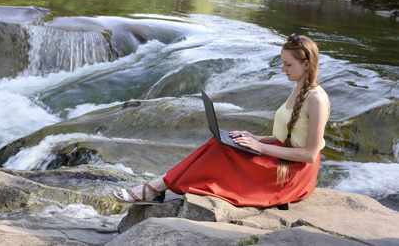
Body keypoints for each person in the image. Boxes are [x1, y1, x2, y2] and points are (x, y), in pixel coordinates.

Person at [113, 34, 330, 207]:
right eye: (283, 63)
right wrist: (255, 138)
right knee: (222, 142)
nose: (283, 69)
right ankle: (158, 186)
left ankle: (155, 188)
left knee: (221, 149)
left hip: (293, 174)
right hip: (280, 159)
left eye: (287, 65)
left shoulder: (317, 100)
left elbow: (310, 155)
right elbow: (285, 136)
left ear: (306, 65)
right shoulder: (297, 88)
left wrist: (261, 148)